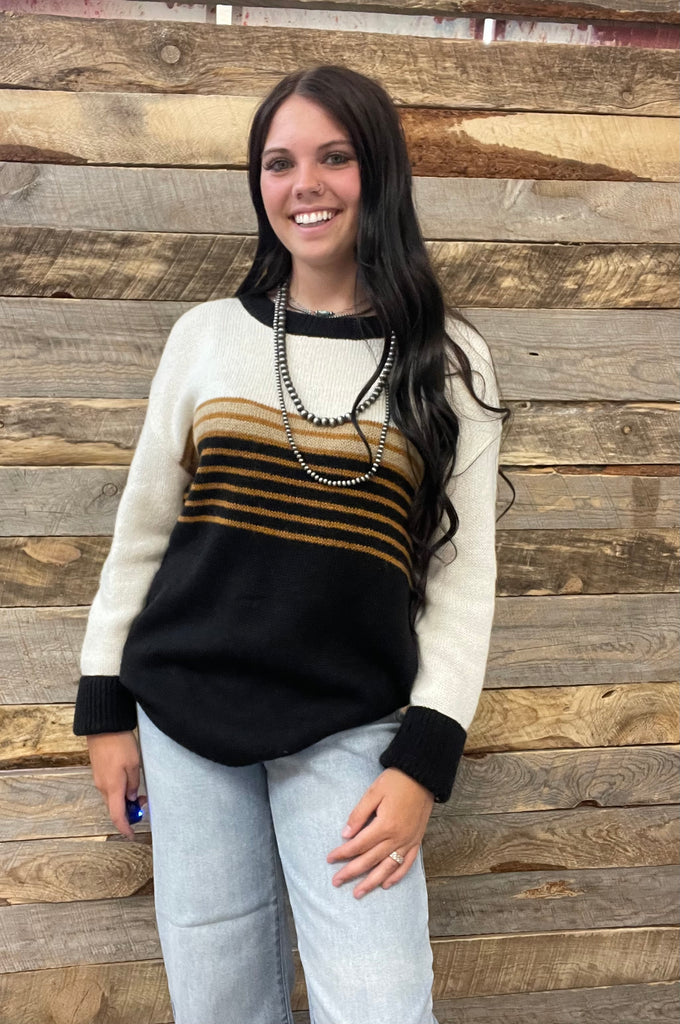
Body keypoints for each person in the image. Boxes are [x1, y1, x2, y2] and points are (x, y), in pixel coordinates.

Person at [73, 64, 512, 1024]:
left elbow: (463, 577)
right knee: (220, 1001)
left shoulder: (450, 362)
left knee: (382, 1004)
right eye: (279, 163)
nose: (303, 184)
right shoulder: (204, 338)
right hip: (184, 717)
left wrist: (423, 759)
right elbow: (141, 535)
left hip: (351, 727)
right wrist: (105, 710)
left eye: (333, 157)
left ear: (379, 171)